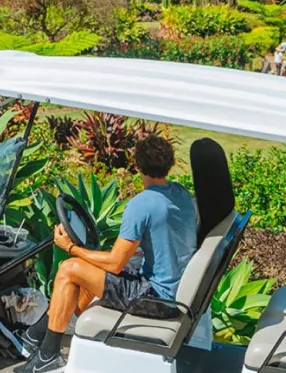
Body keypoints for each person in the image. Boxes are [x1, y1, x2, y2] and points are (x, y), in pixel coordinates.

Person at [19, 134, 197, 373]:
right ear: (171, 163)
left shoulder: (141, 204)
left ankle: (48, 355)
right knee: (86, 269)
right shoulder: (182, 194)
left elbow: (114, 263)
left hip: (155, 299)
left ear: (137, 166)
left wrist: (70, 248)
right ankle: (36, 335)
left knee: (69, 268)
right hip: (170, 290)